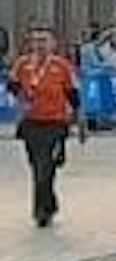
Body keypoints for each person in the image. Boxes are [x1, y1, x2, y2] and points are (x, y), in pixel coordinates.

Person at [8, 22, 83, 227]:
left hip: (55, 123)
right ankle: (48, 204)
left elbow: (73, 95)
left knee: (46, 166)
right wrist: (22, 99)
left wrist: (80, 121)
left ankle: (40, 211)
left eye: (44, 40)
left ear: (53, 44)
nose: (39, 45)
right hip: (31, 123)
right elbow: (12, 86)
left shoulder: (62, 66)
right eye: (35, 40)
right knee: (36, 166)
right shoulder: (22, 64)